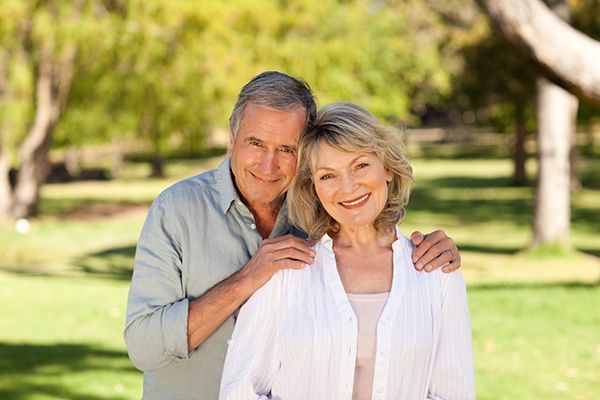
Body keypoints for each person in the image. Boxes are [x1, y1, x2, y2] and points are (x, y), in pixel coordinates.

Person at [124, 72, 462, 399]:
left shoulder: (318, 214)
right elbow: (144, 348)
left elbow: (363, 209)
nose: (268, 165)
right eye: (255, 143)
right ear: (232, 138)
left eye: (286, 149)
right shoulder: (178, 210)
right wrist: (248, 278)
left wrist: (435, 256)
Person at [219, 102, 474, 399]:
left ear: (388, 169)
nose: (348, 187)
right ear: (313, 187)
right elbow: (240, 390)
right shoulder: (284, 273)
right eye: (328, 175)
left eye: (361, 165)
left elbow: (453, 393)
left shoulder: (437, 276)